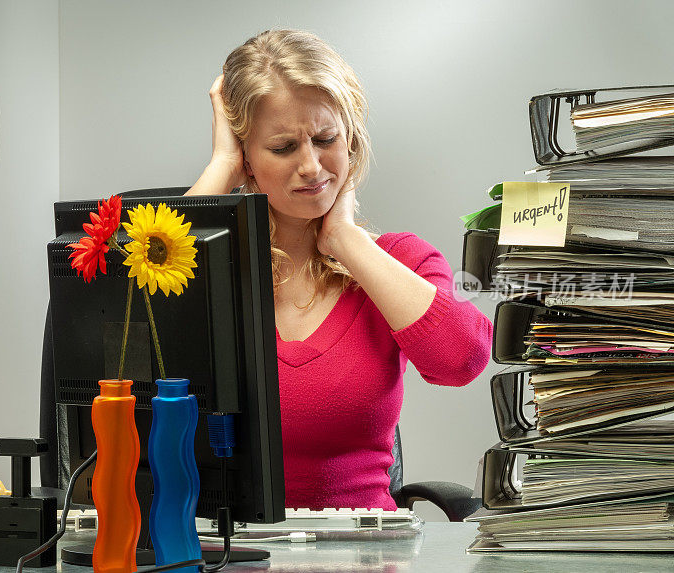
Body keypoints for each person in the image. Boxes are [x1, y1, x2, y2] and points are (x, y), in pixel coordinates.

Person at [187, 29, 492, 510]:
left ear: (350, 140)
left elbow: (462, 360)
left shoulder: (399, 260)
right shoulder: (216, 272)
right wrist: (222, 163)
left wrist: (346, 240)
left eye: (326, 139)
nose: (311, 166)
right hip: (226, 550)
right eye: (284, 147)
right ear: (248, 159)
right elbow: (135, 320)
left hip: (362, 550)